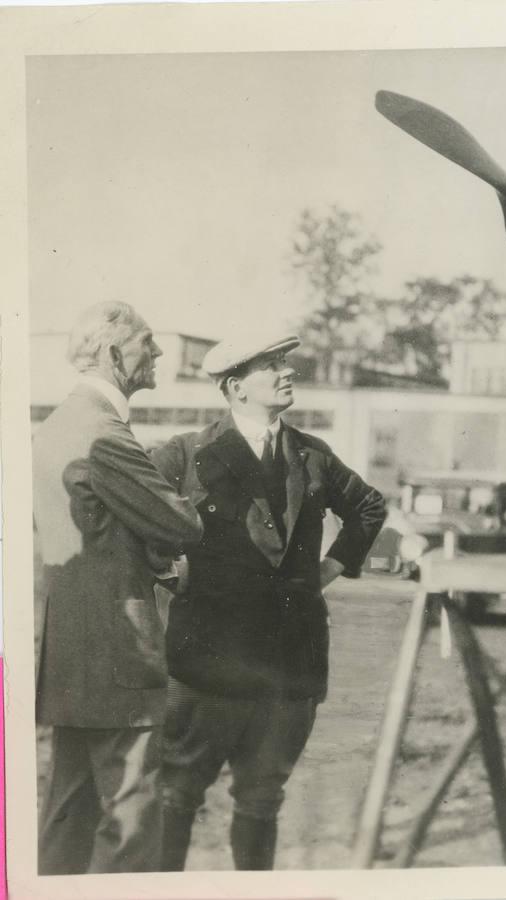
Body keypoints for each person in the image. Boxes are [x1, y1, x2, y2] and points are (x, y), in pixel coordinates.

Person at [152, 327, 386, 871]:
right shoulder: (187, 453)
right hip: (208, 660)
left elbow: (369, 506)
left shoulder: (312, 454)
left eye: (287, 364)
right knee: (177, 794)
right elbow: (135, 510)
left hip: (289, 662)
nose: (288, 373)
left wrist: (329, 568)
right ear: (236, 387)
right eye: (271, 366)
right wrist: (168, 572)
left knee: (261, 799)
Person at [33, 301, 203, 874]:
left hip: (70, 654)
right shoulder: (105, 433)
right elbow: (182, 522)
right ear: (112, 353)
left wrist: (148, 538)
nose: (157, 354)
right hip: (119, 654)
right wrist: (164, 542)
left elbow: (103, 528)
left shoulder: (59, 423)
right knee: (129, 823)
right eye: (147, 343)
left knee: (67, 815)